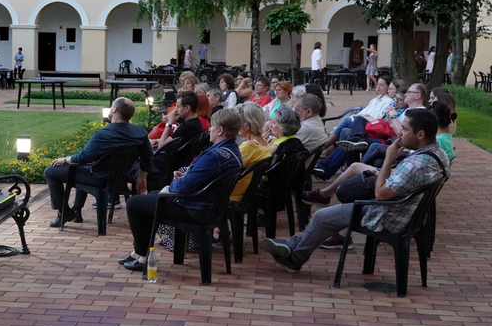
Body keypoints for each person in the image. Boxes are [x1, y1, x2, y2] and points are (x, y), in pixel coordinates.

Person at [264, 109, 450, 273]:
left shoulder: (416, 164)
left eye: (404, 129)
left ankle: (295, 259)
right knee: (352, 181)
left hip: (389, 216)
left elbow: (381, 195)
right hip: (406, 211)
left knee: (321, 216)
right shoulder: (438, 154)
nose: (399, 132)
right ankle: (293, 244)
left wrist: (389, 159)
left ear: (420, 134)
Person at [119, 108, 243, 272]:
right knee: (150, 198)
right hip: (210, 206)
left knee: (135, 203)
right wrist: (186, 176)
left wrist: (171, 186)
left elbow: (184, 187)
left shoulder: (214, 156)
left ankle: (142, 256)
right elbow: (205, 178)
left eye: (212, 127)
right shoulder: (233, 151)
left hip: (195, 209)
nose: (209, 130)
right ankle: (138, 253)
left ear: (220, 130)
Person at [44, 97, 152, 227]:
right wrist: (142, 177)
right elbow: (148, 156)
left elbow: (83, 158)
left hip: (100, 178)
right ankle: (76, 210)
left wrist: (66, 159)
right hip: (122, 178)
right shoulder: (139, 131)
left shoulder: (103, 134)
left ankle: (64, 212)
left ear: (115, 109)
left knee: (50, 171)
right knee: (82, 169)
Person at [230, 103, 271, 204]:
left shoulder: (248, 146)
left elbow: (226, 170)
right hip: (247, 195)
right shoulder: (265, 143)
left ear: (247, 126)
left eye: (237, 123)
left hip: (233, 198)